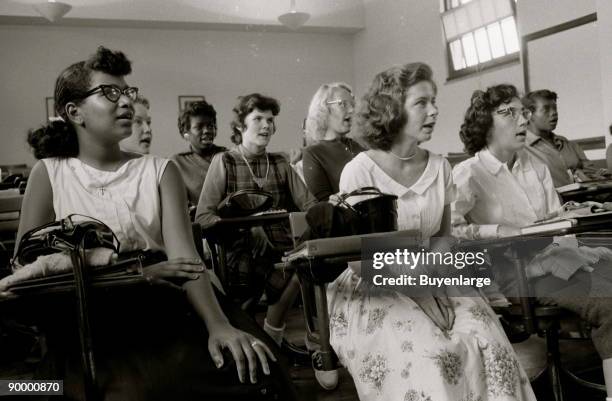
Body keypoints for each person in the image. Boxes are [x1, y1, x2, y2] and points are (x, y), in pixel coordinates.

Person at [19, 46, 296, 400]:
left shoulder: (159, 170)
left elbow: (186, 259)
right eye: (110, 93)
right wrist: (134, 274)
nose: (126, 103)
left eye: (127, 92)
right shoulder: (49, 173)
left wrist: (218, 324)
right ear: (75, 112)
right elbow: (26, 273)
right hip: (88, 316)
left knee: (257, 368)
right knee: (130, 390)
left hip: (165, 304)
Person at [327, 64, 536, 400]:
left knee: (488, 346)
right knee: (432, 358)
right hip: (377, 282)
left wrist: (434, 281)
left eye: (434, 101)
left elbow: (443, 238)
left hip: (435, 274)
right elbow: (360, 260)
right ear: (392, 109)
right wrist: (421, 292)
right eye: (421, 103)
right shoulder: (359, 171)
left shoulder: (439, 166)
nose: (434, 110)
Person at [452, 83, 612, 399]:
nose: (522, 120)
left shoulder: (535, 165)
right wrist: (495, 230)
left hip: (557, 260)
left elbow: (555, 218)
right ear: (485, 123)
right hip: (515, 275)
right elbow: (449, 230)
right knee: (608, 304)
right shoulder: (468, 173)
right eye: (508, 113)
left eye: (523, 111)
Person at [195, 93, 317, 350]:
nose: (266, 126)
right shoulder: (225, 161)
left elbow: (311, 207)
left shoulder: (281, 163)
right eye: (258, 119)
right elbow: (204, 217)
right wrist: (249, 228)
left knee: (308, 260)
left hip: (284, 248)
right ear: (240, 126)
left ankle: (273, 333)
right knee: (293, 264)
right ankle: (268, 335)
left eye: (270, 120)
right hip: (241, 250)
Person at [522, 89, 598, 187]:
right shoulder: (522, 149)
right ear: (527, 115)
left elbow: (593, 173)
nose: (554, 113)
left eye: (555, 108)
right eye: (546, 109)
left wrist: (580, 174)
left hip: (586, 199)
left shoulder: (566, 143)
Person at [302, 82, 364, 201]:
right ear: (324, 109)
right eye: (343, 104)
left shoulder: (360, 145)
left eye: (353, 104)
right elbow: (324, 202)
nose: (351, 110)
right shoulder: (313, 153)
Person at [171, 100, 227, 207]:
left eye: (210, 126)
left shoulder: (228, 156)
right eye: (199, 127)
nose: (206, 131)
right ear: (185, 133)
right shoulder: (177, 163)